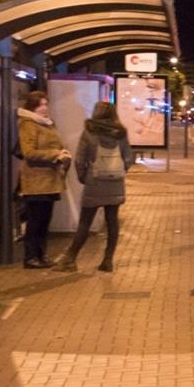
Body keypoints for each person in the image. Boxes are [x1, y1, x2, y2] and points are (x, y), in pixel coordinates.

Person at [57, 100, 137, 272]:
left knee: (85, 222)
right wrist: (119, 172)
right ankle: (108, 261)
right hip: (115, 183)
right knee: (112, 221)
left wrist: (84, 178)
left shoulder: (89, 132)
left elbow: (80, 160)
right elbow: (128, 158)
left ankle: (70, 258)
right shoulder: (120, 133)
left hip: (95, 182)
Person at [16, 90, 70, 269]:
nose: (45, 108)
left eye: (46, 104)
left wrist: (63, 153)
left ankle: (41, 254)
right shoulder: (28, 124)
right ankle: (31, 256)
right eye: (41, 105)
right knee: (35, 220)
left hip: (51, 178)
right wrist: (56, 154)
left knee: (45, 220)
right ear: (33, 107)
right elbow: (29, 153)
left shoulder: (47, 123)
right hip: (36, 180)